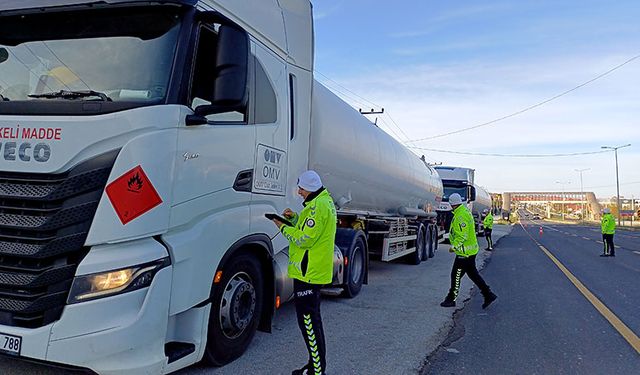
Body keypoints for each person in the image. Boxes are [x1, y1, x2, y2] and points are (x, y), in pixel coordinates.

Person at [270, 170, 336, 375]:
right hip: (310, 272)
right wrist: (294, 219)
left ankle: (317, 371)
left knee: (309, 324)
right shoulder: (321, 203)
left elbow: (304, 239)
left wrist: (282, 226)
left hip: (309, 274)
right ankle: (314, 366)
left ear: (309, 188)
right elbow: (311, 230)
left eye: (300, 188)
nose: (298, 192)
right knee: (311, 322)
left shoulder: (318, 207)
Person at [440, 193, 497, 309]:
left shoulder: (461, 216)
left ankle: (451, 299)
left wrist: (454, 247)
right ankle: (488, 294)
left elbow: (462, 235)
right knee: (473, 274)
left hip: (464, 253)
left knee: (455, 275)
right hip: (469, 252)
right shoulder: (464, 212)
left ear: (452, 204)